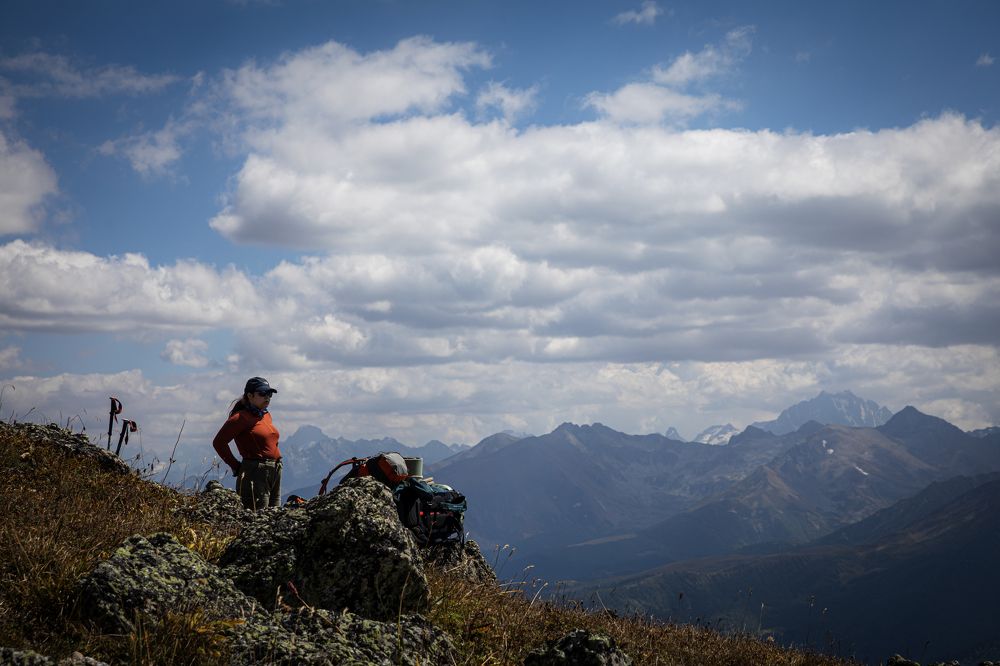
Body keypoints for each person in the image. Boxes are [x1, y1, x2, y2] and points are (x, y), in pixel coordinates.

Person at [213, 376, 282, 510]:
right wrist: (236, 466)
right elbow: (219, 442)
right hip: (255, 471)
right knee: (258, 517)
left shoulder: (265, 415)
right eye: (262, 393)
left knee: (275, 516)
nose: (267, 397)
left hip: (275, 469)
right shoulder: (239, 418)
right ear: (250, 395)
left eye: (269, 394)